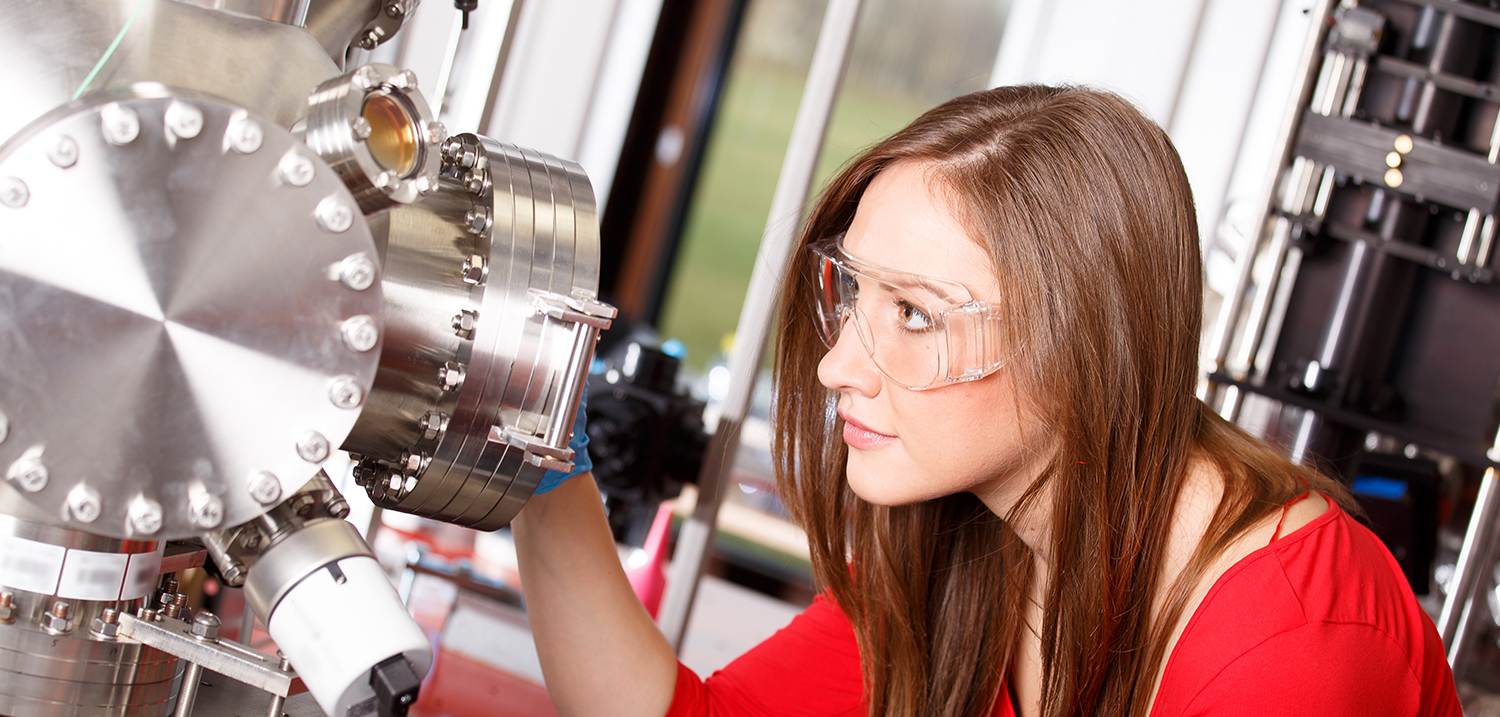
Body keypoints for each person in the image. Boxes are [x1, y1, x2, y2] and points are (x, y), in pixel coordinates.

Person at [511, 85, 1461, 717]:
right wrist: (532, 468)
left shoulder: (1290, 652)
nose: (840, 365)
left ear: (1079, 347)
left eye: (916, 314)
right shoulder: (965, 539)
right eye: (854, 295)